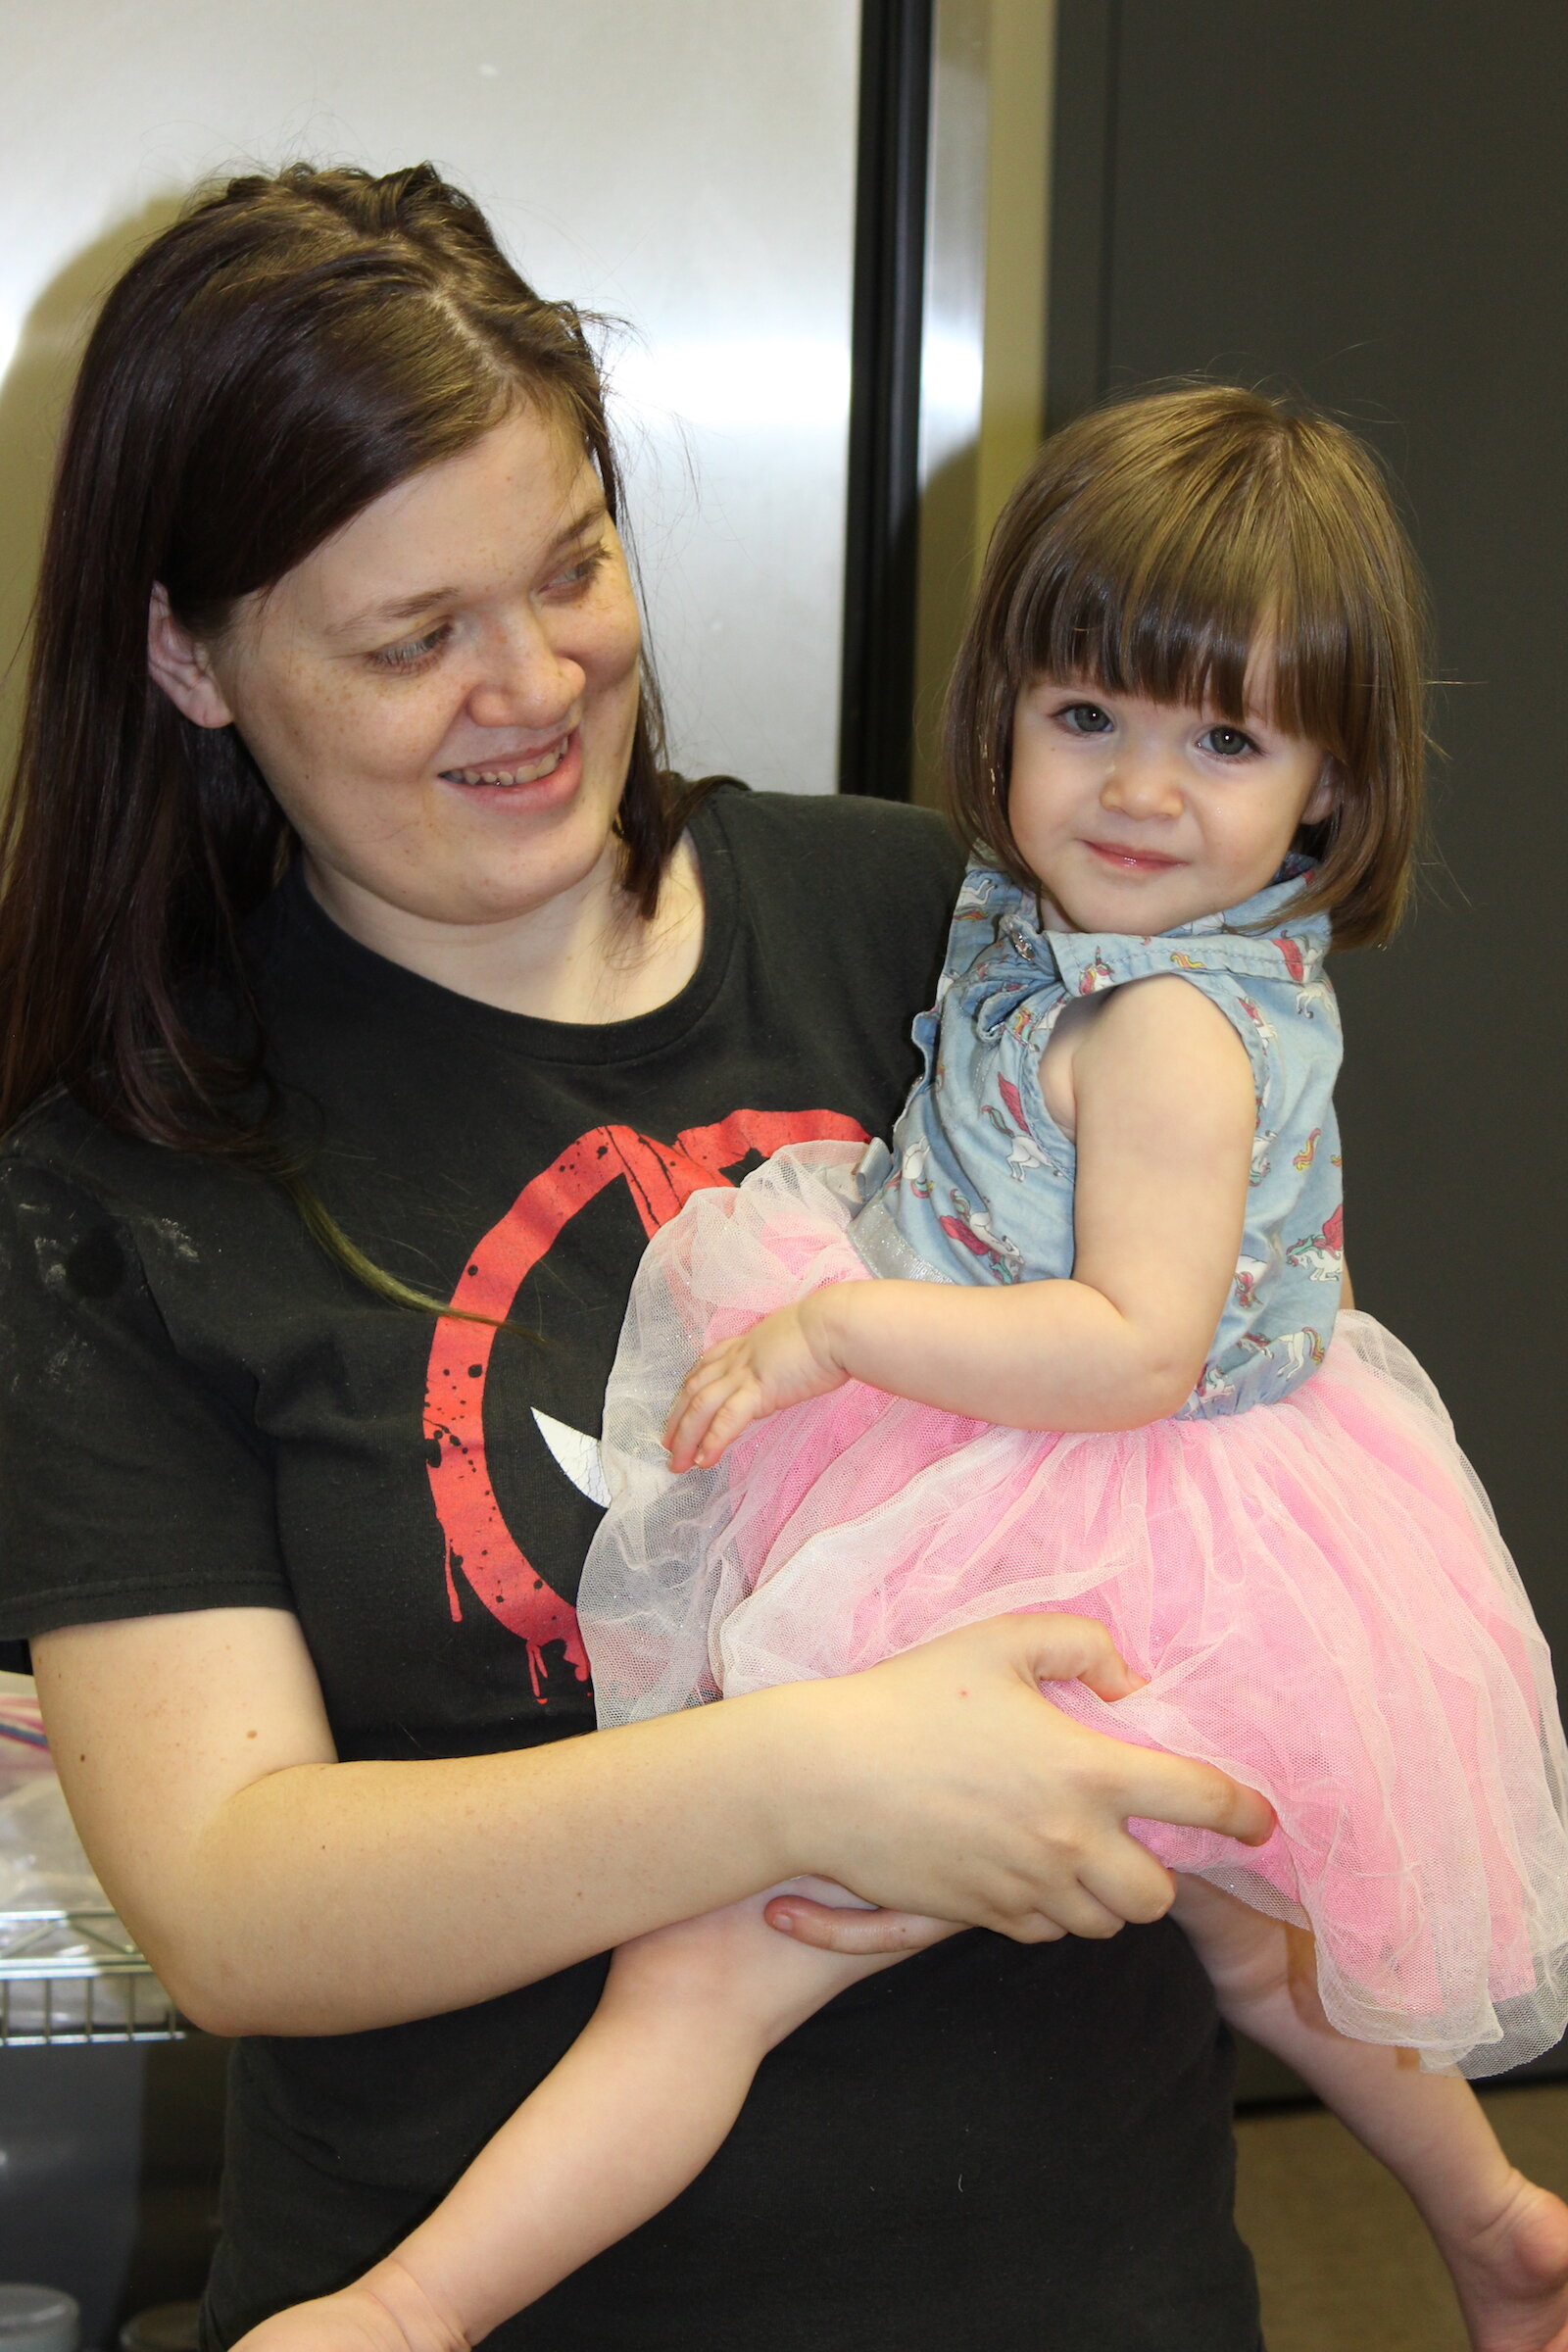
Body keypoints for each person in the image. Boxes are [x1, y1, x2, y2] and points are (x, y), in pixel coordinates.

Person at [0, 170, 1280, 2350]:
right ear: (185, 657)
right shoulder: (119, 1184)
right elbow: (236, 1904)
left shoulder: (936, 936)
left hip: (1099, 2278)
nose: (535, 682)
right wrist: (814, 1773)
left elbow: (1245, 1472)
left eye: (572, 562)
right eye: (412, 639)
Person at [226, 389, 1568, 2352]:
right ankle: (1484, 2213)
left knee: (713, 1967)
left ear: (1328, 790)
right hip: (1100, 1481)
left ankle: (415, 2311)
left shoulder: (1160, 1034)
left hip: (1094, 1497)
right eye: (1084, 716)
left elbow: (1124, 1348)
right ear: (1002, 710)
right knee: (1255, 1925)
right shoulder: (1079, 943)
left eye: (1222, 739)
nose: (1134, 791)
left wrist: (835, 1325)